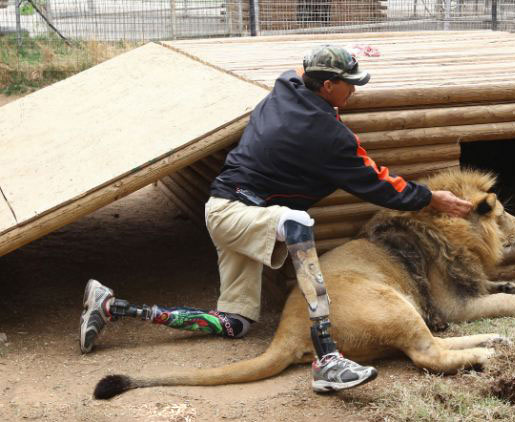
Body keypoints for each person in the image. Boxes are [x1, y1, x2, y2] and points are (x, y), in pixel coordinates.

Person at [80, 45, 472, 393]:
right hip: (240, 213)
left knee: (235, 322)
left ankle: (113, 306)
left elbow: (299, 69)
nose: (355, 90)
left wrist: (347, 54)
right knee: (298, 224)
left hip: (223, 209)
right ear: (327, 86)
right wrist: (431, 198)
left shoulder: (285, 86)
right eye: (349, 82)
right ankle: (327, 358)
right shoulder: (328, 135)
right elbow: (377, 183)